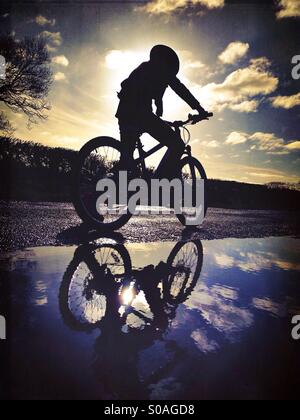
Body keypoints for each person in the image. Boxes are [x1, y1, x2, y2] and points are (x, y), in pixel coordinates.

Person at [116, 45, 209, 178]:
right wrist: (200, 109)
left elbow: (157, 102)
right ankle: (156, 185)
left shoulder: (145, 69)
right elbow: (181, 89)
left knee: (126, 161)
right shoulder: (161, 71)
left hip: (124, 113)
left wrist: (159, 108)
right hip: (140, 114)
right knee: (177, 145)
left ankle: (113, 187)